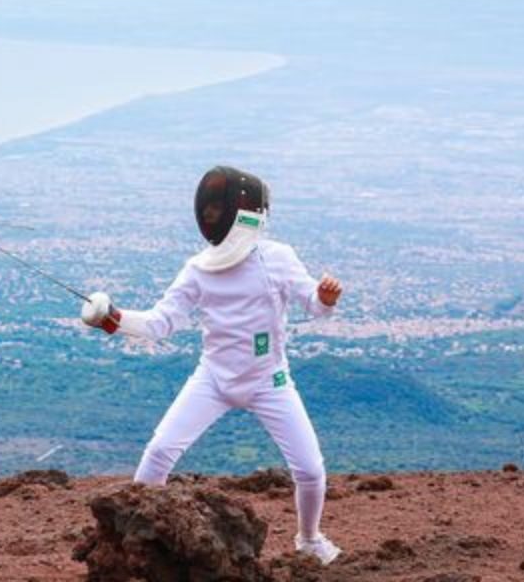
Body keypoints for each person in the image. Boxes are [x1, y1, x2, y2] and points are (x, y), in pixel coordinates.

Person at [80, 165, 344, 565]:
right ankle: (127, 543)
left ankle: (309, 540)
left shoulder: (277, 258)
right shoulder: (198, 269)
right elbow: (159, 323)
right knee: (160, 452)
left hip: (269, 380)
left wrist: (325, 297)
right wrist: (113, 320)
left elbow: (313, 304)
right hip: (214, 378)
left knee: (309, 470)